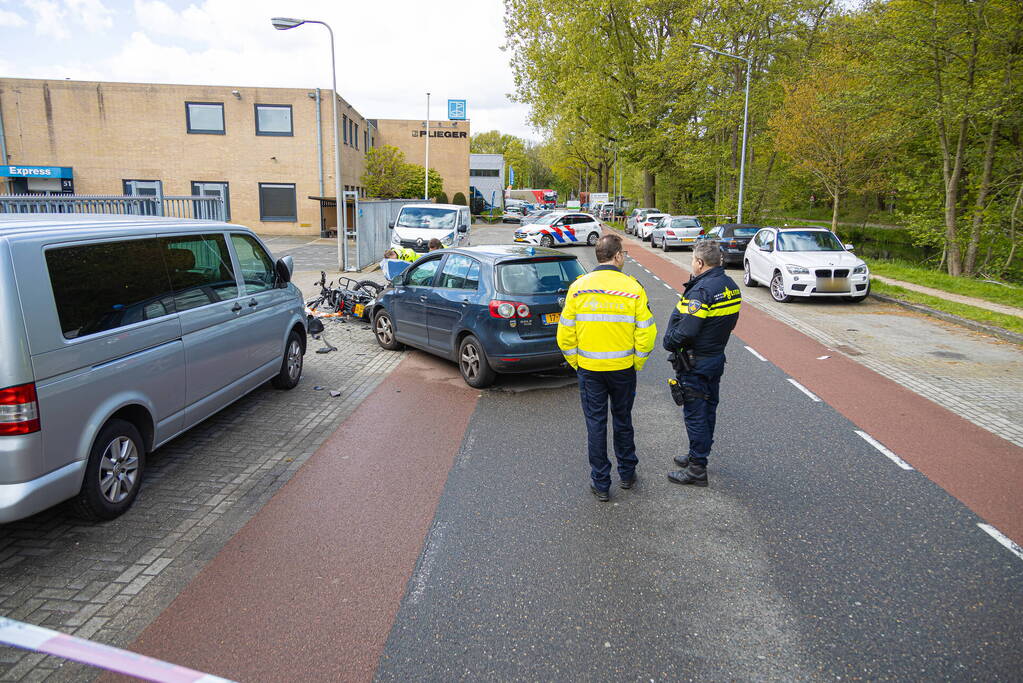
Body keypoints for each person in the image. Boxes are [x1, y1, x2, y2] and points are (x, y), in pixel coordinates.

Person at [557, 233, 657, 501]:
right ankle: (627, 473)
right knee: (623, 420)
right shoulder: (633, 288)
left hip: (590, 370)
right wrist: (637, 361)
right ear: (618, 256)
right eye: (623, 253)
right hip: (623, 369)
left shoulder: (578, 287)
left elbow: (565, 334)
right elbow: (646, 333)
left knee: (596, 424)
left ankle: (601, 483)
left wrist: (577, 362)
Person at [662, 241, 741, 487]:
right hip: (716, 357)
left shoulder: (702, 291)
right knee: (708, 409)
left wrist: (668, 342)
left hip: (696, 362)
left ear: (699, 262)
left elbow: (686, 330)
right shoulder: (730, 286)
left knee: (695, 413)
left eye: (692, 260)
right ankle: (699, 454)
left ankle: (697, 470)